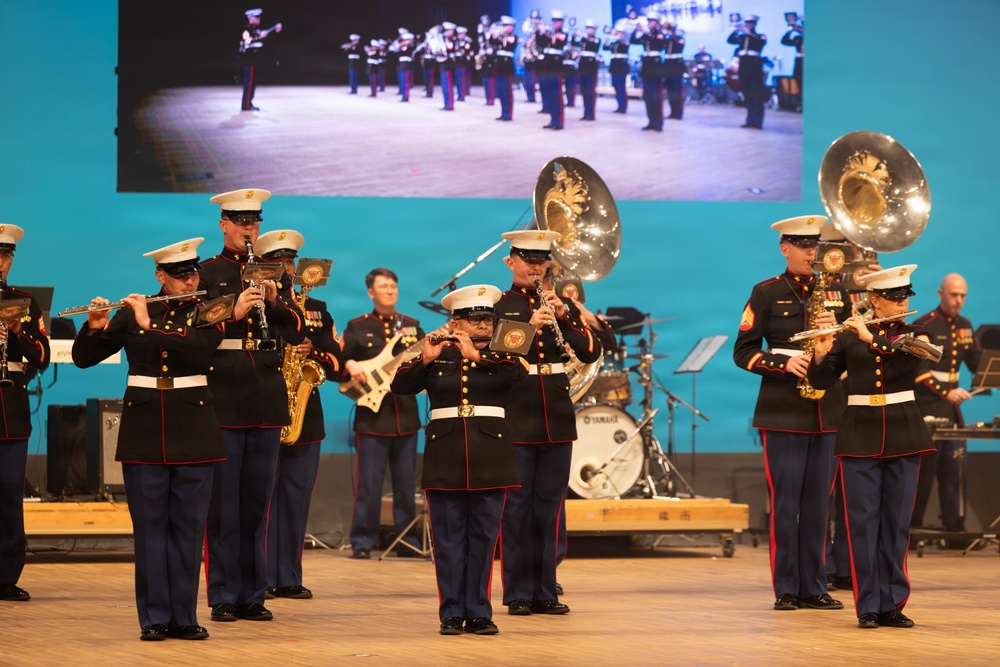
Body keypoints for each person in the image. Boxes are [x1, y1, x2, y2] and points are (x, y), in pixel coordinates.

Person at [72, 238, 224, 641]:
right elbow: (84, 359)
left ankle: (185, 616)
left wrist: (148, 324)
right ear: (160, 275)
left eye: (192, 272)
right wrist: (95, 325)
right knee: (151, 529)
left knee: (190, 529)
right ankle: (154, 617)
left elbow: (201, 349)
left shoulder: (208, 310)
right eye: (179, 275)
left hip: (194, 427)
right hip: (144, 431)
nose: (188, 279)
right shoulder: (137, 308)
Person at [392, 285, 526, 636]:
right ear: (456, 322)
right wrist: (425, 358)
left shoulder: (503, 353)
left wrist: (478, 357)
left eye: (488, 319)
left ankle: (479, 611)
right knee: (449, 541)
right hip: (446, 455)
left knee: (484, 539)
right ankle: (451, 611)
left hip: (491, 455)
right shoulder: (440, 351)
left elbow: (519, 377)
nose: (484, 326)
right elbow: (399, 386)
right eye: (475, 319)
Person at [807, 265, 935, 629]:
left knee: (896, 525)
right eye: (893, 299)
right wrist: (820, 352)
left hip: (903, 435)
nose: (901, 304)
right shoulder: (847, 337)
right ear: (874, 300)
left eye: (903, 298)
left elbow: (910, 356)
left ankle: (892, 603)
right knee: (862, 525)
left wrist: (867, 337)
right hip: (860, 435)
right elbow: (820, 381)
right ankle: (868, 606)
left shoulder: (915, 332)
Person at [200, 188, 305, 623]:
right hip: (224, 400)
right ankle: (223, 593)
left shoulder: (273, 274)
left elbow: (298, 330)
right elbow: (196, 329)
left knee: (255, 506)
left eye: (254, 222)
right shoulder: (205, 272)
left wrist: (276, 298)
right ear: (223, 223)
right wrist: (235, 311)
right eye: (240, 221)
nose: (249, 229)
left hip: (265, 401)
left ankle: (252, 593)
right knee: (222, 506)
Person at [732, 215, 847, 612]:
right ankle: (786, 587)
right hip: (782, 412)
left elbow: (850, 354)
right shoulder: (765, 292)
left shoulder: (836, 293)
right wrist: (782, 363)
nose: (810, 252)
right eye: (801, 245)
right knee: (785, 505)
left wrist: (836, 338)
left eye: (814, 245)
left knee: (819, 505)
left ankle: (814, 585)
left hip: (827, 412)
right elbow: (742, 351)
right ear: (784, 248)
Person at [498, 230, 602, 616]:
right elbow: (500, 359)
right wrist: (530, 324)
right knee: (518, 509)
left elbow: (591, 352)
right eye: (528, 259)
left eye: (541, 260)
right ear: (511, 262)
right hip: (519, 416)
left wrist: (565, 315)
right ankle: (518, 592)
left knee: (549, 508)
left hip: (556, 417)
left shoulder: (560, 303)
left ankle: (545, 590)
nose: (536, 267)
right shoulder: (499, 304)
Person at [256, 230, 343, 600]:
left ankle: (287, 575)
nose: (286, 269)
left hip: (304, 417)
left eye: (290, 262)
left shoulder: (317, 309)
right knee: (259, 501)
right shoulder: (253, 307)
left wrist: (312, 352)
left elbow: (337, 363)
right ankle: (257, 577)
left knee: (295, 500)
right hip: (261, 411)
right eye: (277, 263)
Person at [342, 268, 424, 559]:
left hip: (405, 416)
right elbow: (341, 357)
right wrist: (350, 364)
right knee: (369, 485)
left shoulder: (413, 326)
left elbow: (425, 360)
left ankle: (406, 540)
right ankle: (362, 541)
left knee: (405, 485)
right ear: (371, 292)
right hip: (373, 418)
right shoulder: (357, 325)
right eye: (384, 286)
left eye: (393, 286)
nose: (390, 290)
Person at [0, 224, 50, 604]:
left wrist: (16, 332)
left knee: (8, 496)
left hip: (10, 411)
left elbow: (42, 357)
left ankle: (6, 576)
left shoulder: (24, 301)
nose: (0, 262)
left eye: (5, 255)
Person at [911, 273, 982, 537]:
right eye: (954, 295)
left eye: (963, 295)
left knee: (954, 475)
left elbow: (976, 364)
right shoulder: (923, 325)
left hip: (952, 412)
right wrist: (946, 393)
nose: (959, 300)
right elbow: (919, 372)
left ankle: (954, 533)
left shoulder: (966, 325)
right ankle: (911, 531)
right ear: (941, 294)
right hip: (927, 409)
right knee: (922, 478)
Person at [727, 14, 767, 128]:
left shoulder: (760, 36)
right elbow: (730, 40)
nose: (748, 25)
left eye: (751, 23)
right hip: (744, 69)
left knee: (756, 96)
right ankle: (750, 120)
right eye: (747, 23)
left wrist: (748, 32)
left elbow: (760, 42)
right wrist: (736, 31)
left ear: (754, 24)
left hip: (755, 69)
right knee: (747, 96)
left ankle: (758, 121)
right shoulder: (742, 38)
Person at [238, 8, 282, 111]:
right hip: (249, 60)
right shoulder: (247, 30)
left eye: (259, 17)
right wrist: (258, 36)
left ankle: (249, 103)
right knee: (249, 82)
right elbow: (247, 40)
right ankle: (246, 105)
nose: (259, 19)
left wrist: (274, 29)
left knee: (252, 82)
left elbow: (259, 37)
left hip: (254, 60)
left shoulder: (256, 29)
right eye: (257, 17)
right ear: (250, 18)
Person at [631, 13, 667, 132]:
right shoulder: (647, 35)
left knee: (656, 96)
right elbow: (634, 41)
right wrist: (636, 31)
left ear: (657, 22)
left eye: (652, 21)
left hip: (655, 67)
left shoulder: (660, 34)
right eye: (649, 21)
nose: (649, 23)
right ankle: (651, 121)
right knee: (648, 96)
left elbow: (659, 43)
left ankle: (658, 122)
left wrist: (645, 32)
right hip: (646, 67)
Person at [536, 11, 568, 130]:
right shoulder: (548, 33)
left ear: (561, 22)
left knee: (556, 94)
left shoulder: (563, 34)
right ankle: (552, 119)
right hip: (546, 66)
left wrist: (545, 31)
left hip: (555, 66)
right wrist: (539, 31)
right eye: (553, 21)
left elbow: (558, 42)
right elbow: (540, 43)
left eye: (557, 21)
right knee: (548, 94)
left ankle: (558, 121)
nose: (554, 23)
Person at [491, 17, 518, 121]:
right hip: (499, 65)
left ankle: (508, 113)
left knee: (507, 91)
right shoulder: (500, 36)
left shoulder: (513, 37)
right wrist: (492, 34)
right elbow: (492, 43)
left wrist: (498, 35)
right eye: (503, 25)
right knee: (500, 91)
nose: (503, 27)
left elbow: (508, 43)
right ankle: (503, 112)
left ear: (512, 27)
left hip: (507, 66)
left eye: (506, 25)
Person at [576, 21, 601, 121]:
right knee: (584, 91)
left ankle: (591, 114)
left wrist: (581, 35)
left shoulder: (596, 40)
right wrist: (574, 36)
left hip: (591, 68)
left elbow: (592, 45)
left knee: (590, 92)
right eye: (587, 28)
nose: (589, 30)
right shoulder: (583, 39)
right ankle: (586, 113)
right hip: (582, 67)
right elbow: (575, 43)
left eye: (591, 28)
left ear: (594, 30)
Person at [661, 21, 686, 119]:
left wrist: (672, 34)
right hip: (667, 66)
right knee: (670, 90)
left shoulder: (679, 38)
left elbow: (678, 44)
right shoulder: (666, 39)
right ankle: (672, 112)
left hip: (677, 66)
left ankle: (678, 113)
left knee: (677, 90)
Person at [603, 29, 630, 113]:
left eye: (620, 33)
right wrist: (608, 39)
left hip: (621, 67)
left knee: (621, 87)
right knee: (616, 86)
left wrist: (619, 39)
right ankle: (619, 105)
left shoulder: (625, 43)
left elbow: (624, 47)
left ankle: (623, 106)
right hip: (614, 67)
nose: (618, 35)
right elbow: (605, 47)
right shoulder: (613, 43)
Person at [780, 15, 803, 108]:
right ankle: (800, 103)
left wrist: (801, 30)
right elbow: (784, 41)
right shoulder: (798, 38)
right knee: (798, 82)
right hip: (800, 61)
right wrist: (791, 30)